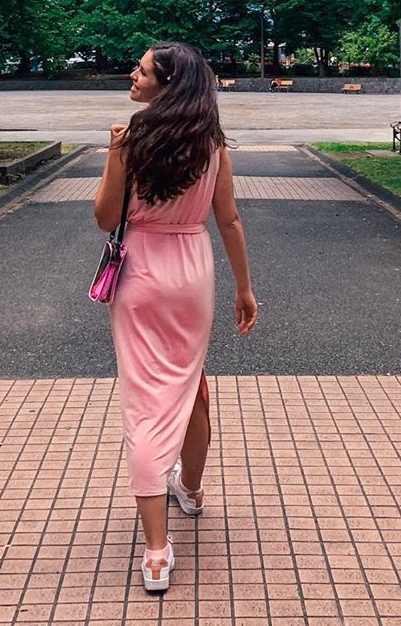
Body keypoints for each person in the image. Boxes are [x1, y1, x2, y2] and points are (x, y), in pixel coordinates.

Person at [93, 41, 258, 595]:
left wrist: (115, 157)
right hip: (192, 274)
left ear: (166, 83)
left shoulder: (129, 141)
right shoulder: (212, 146)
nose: (132, 77)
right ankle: (190, 486)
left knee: (146, 402)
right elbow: (229, 221)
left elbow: (105, 219)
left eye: (140, 71)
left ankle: (158, 553)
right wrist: (244, 287)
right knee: (188, 387)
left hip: (140, 274)